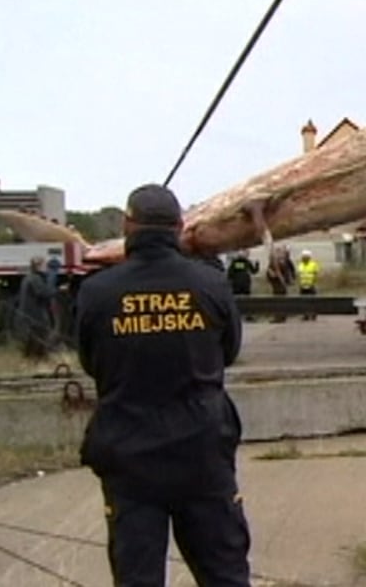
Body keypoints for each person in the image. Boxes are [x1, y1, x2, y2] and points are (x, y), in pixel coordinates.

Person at [73, 183, 251, 586]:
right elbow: (228, 352)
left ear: (126, 226)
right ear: (180, 227)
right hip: (202, 454)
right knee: (224, 574)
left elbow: (90, 361)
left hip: (129, 457)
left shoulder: (97, 292)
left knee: (138, 578)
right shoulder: (210, 285)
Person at [15, 256, 57, 360]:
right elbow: (42, 293)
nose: (46, 267)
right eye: (44, 265)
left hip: (28, 314)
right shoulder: (35, 279)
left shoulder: (28, 277)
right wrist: (57, 290)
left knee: (32, 339)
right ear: (38, 266)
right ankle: (41, 359)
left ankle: (29, 359)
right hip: (35, 314)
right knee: (40, 337)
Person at [296, 249, 321, 321]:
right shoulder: (300, 265)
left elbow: (316, 274)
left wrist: (313, 283)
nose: (304, 258)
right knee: (303, 301)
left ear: (309, 257)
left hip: (311, 285)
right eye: (303, 257)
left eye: (306, 257)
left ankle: (314, 314)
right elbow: (299, 275)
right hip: (302, 285)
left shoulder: (313, 264)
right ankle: (305, 315)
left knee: (312, 301)